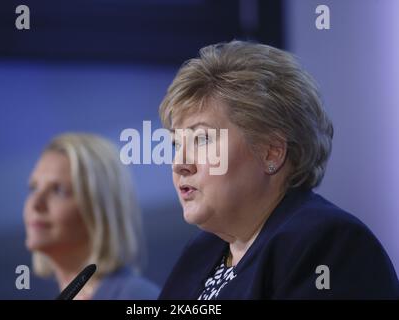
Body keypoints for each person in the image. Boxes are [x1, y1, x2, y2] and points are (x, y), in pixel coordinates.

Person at [157, 40, 399, 299]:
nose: (179, 164)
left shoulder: (327, 245)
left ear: (271, 152)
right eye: (176, 144)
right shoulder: (200, 253)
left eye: (202, 139)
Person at [24, 133, 160, 299]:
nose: (35, 203)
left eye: (58, 190)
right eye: (34, 188)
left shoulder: (137, 296)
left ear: (99, 209)